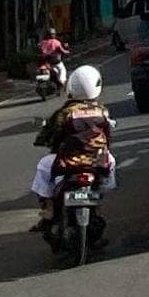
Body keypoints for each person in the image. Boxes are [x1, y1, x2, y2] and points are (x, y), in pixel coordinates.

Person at [31, 62, 117, 221]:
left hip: (69, 162)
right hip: (97, 162)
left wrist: (42, 139)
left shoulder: (65, 112)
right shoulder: (102, 111)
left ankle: (48, 207)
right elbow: (108, 136)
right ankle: (97, 201)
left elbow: (50, 133)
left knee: (43, 166)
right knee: (111, 161)